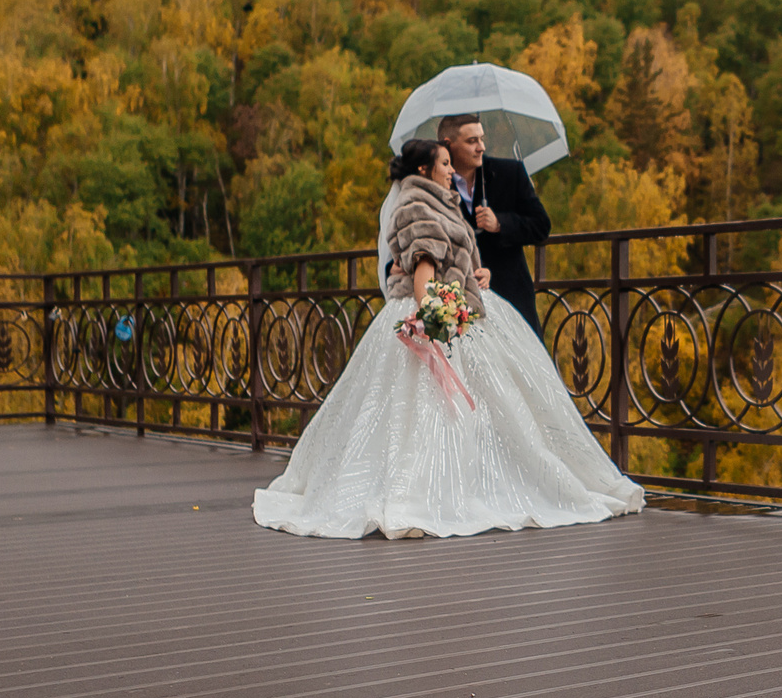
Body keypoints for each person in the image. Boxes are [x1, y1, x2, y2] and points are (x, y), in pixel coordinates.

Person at [251, 138, 643, 540]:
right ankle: (422, 495)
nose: (452, 171)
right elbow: (423, 274)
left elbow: (453, 262)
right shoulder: (418, 207)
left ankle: (463, 483)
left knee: (455, 410)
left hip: (455, 304)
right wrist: (437, 318)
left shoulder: (440, 201)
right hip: (435, 313)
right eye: (444, 163)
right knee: (427, 411)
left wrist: (478, 276)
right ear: (424, 171)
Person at [439, 114, 549, 331]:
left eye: (481, 139)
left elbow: (541, 226)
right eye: (472, 141)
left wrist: (501, 224)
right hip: (460, 303)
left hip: (511, 295)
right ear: (448, 145)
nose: (481, 147)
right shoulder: (437, 182)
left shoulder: (510, 172)